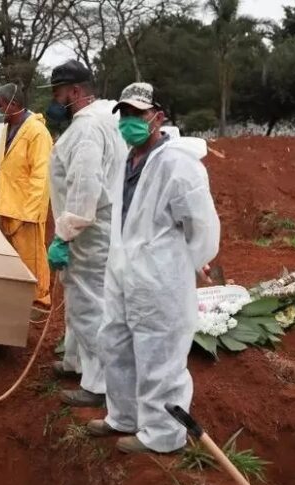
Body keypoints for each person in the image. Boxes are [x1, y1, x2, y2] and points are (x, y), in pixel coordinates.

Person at [92, 82, 220, 454]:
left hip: (160, 275)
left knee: (158, 352)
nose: (130, 122)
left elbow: (202, 227)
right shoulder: (127, 159)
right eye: (125, 115)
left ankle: (163, 435)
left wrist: (182, 263)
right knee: (115, 341)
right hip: (123, 269)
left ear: (158, 117)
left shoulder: (179, 165)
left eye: (138, 114)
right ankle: (124, 416)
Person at [41, 61, 128, 410]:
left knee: (88, 304)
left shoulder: (88, 130)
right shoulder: (103, 119)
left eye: (58, 94)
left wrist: (65, 234)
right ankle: (76, 362)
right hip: (100, 227)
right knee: (83, 299)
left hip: (88, 231)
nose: (55, 101)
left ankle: (101, 383)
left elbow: (84, 186)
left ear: (75, 92)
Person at [0, 83, 53, 310]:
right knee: (12, 258)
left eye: (0, 106)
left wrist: (32, 211)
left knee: (32, 259)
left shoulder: (37, 133)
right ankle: (16, 297)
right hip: (7, 204)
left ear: (14, 105)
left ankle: (40, 300)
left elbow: (41, 175)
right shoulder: (7, 128)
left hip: (26, 208)